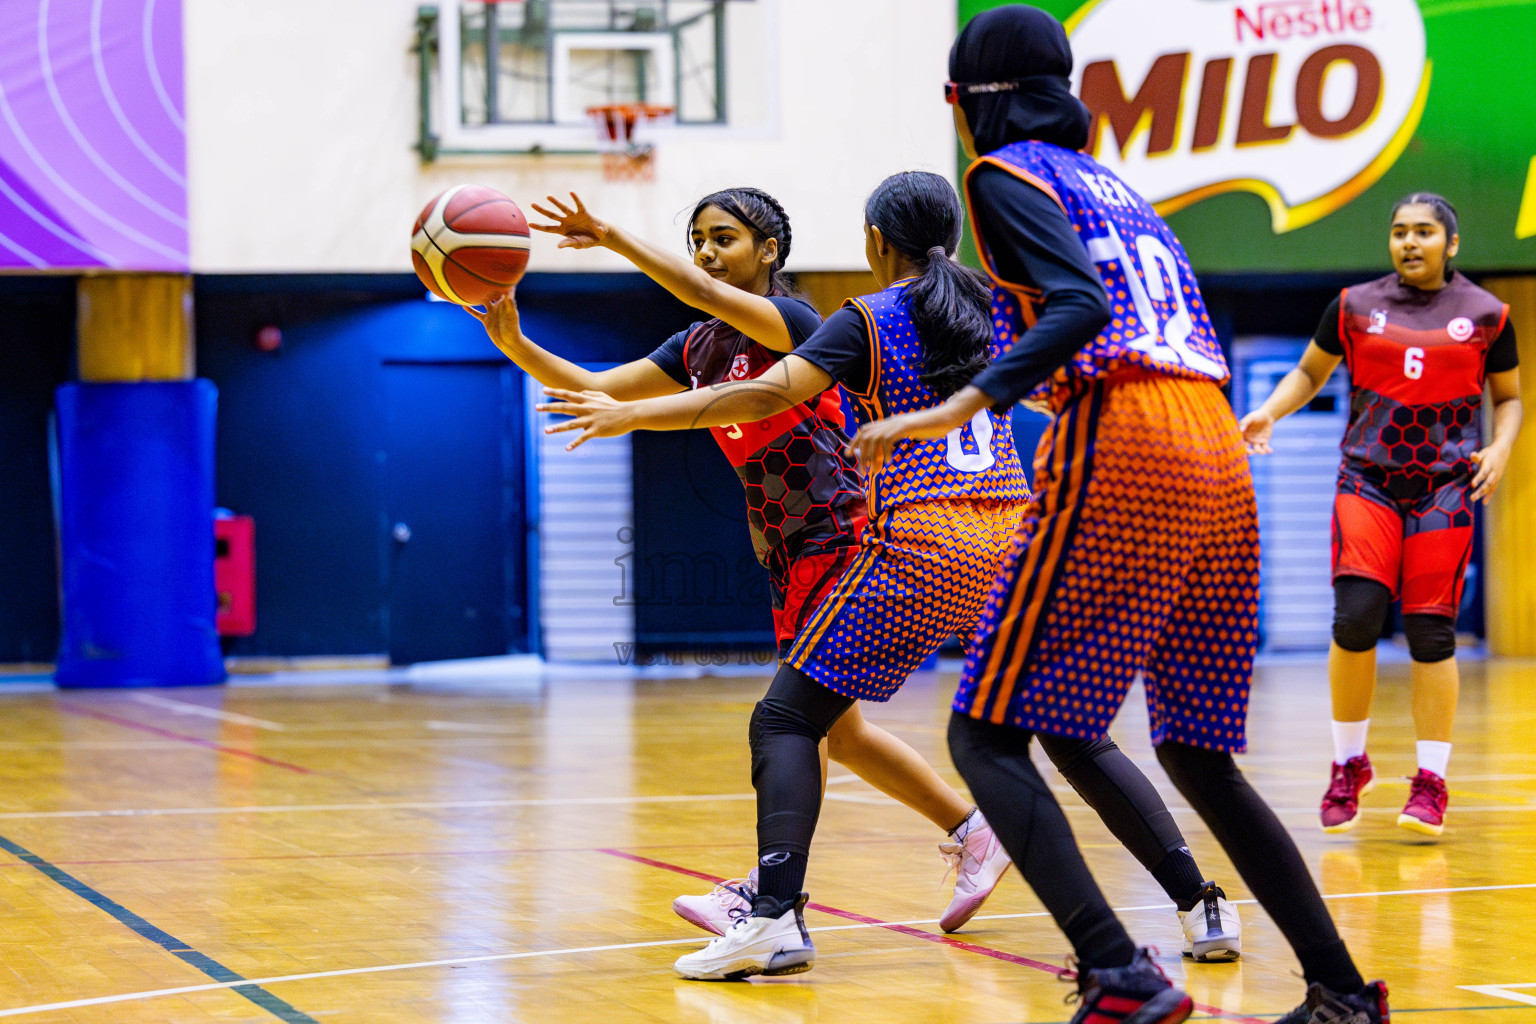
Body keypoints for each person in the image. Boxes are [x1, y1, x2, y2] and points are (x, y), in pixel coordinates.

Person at [537, 170, 1238, 979]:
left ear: (875, 244)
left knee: (784, 722)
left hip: (923, 549)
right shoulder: (999, 311)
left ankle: (772, 919)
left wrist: (633, 414)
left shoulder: (864, 320)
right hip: (1015, 546)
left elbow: (764, 395)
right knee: (1072, 739)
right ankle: (1200, 901)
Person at [849, 8, 1389, 1024]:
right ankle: (1343, 995)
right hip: (1216, 444)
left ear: (967, 100)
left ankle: (1117, 971)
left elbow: (1081, 306)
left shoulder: (1003, 176)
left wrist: (970, 399)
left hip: (1128, 431)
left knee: (985, 735)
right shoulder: (1125, 191)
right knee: (1193, 750)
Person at [467, 185, 1013, 957]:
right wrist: (514, 341)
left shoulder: (795, 322)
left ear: (770, 251)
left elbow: (699, 289)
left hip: (845, 537)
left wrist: (614, 236)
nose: (706, 250)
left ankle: (770, 897)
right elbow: (595, 385)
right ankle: (972, 830)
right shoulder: (698, 350)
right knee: (839, 731)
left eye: (723, 236)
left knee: (793, 721)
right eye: (696, 237)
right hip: (788, 554)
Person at [1240, 192, 1521, 838]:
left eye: (1424, 232)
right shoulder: (1354, 306)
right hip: (1367, 478)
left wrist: (1502, 446)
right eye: (1399, 232)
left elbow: (1508, 398)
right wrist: (1270, 412)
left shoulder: (1486, 313)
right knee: (1357, 615)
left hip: (1446, 487)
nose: (1409, 242)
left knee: (1431, 635)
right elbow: (1309, 375)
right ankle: (1348, 764)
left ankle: (1431, 783)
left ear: (1451, 243)